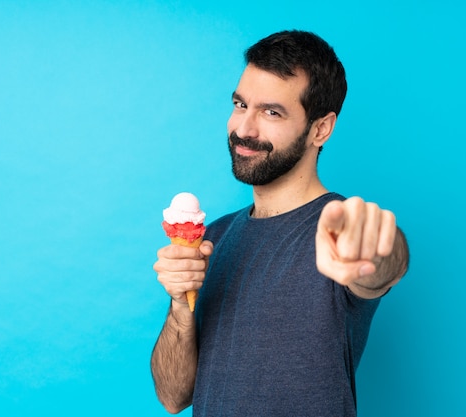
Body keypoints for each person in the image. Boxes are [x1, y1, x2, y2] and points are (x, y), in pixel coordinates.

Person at [151, 30, 409, 416]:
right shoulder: (215, 238)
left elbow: (381, 264)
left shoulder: (338, 230)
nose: (244, 128)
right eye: (240, 105)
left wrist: (375, 248)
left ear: (320, 129)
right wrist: (179, 306)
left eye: (272, 112)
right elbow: (173, 398)